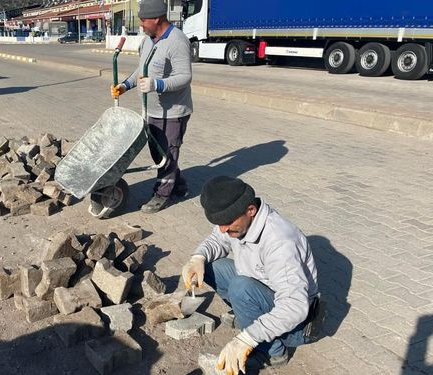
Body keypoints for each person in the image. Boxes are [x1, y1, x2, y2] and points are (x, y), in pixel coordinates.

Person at [181, 176, 323, 374]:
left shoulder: (280, 242)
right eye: (219, 223)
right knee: (214, 266)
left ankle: (272, 352)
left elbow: (294, 306)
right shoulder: (237, 220)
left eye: (227, 223)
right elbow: (217, 240)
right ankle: (249, 316)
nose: (223, 229)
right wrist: (197, 257)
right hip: (266, 292)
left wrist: (247, 339)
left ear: (250, 210)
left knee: (241, 288)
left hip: (298, 324)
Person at [111, 0, 193, 213]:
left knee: (167, 154)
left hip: (173, 112)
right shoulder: (147, 40)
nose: (141, 25)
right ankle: (179, 185)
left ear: (157, 19)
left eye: (143, 20)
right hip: (152, 109)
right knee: (160, 154)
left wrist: (158, 84)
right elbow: (141, 68)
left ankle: (161, 195)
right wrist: (125, 85)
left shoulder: (177, 41)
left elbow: (185, 76)